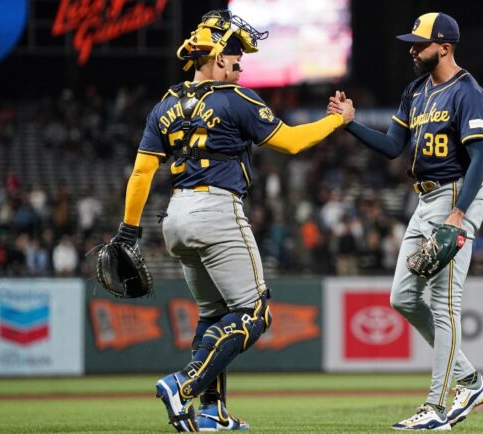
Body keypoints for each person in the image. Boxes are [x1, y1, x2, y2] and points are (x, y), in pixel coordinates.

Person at [112, 10, 351, 432]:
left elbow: (142, 173)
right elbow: (292, 143)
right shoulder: (236, 99)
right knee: (255, 313)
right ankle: (183, 383)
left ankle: (211, 412)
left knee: (213, 314)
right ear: (218, 58)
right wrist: (338, 119)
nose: (240, 64)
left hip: (176, 217)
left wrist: (129, 231)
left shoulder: (165, 104)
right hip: (217, 210)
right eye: (236, 56)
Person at [329, 12, 483, 430]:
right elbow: (391, 147)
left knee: (445, 305)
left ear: (444, 47)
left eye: (419, 44)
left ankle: (437, 408)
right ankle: (470, 380)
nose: (412, 49)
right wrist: (351, 125)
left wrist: (459, 214)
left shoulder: (468, 92)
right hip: (424, 200)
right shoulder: (415, 92)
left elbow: (481, 157)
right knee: (403, 297)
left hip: (457, 193)